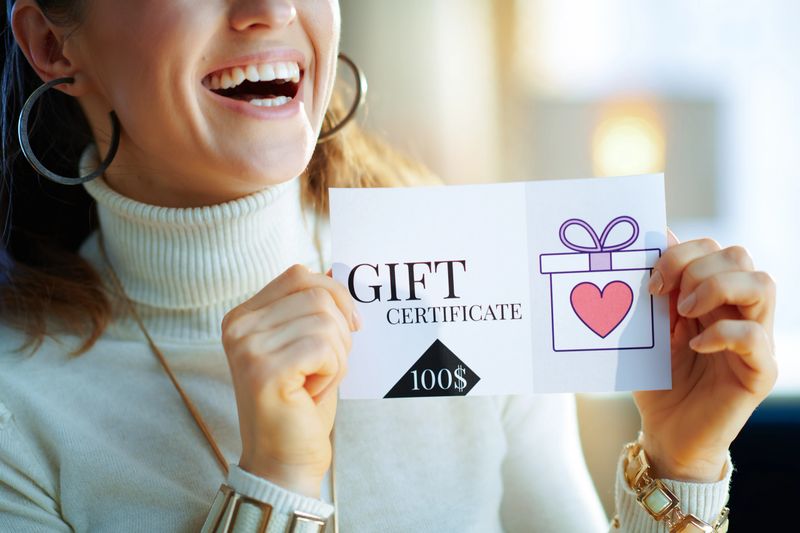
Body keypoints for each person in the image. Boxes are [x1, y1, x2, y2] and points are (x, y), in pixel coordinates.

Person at [0, 1, 777, 532]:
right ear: (51, 44)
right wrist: (275, 481)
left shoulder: (479, 282)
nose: (268, 8)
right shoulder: (17, 414)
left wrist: (682, 466)